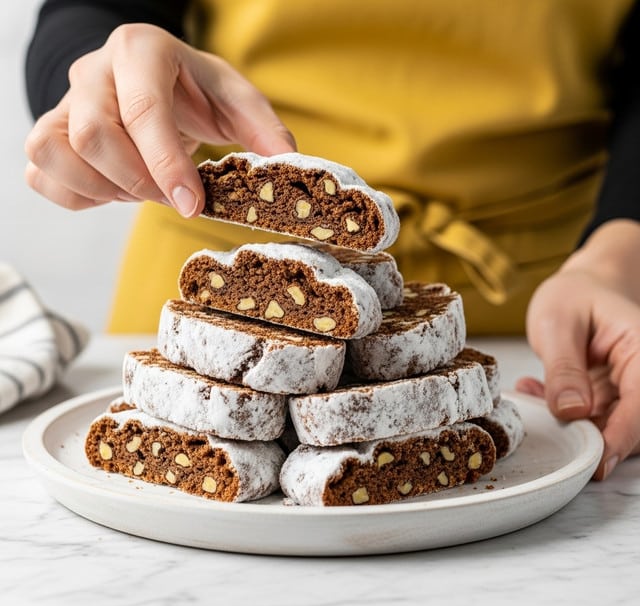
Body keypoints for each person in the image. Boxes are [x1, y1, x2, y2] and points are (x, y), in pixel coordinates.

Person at [23, 0, 640, 481]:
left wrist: (617, 255)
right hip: (218, 277)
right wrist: (98, 80)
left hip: (563, 284)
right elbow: (89, 11)